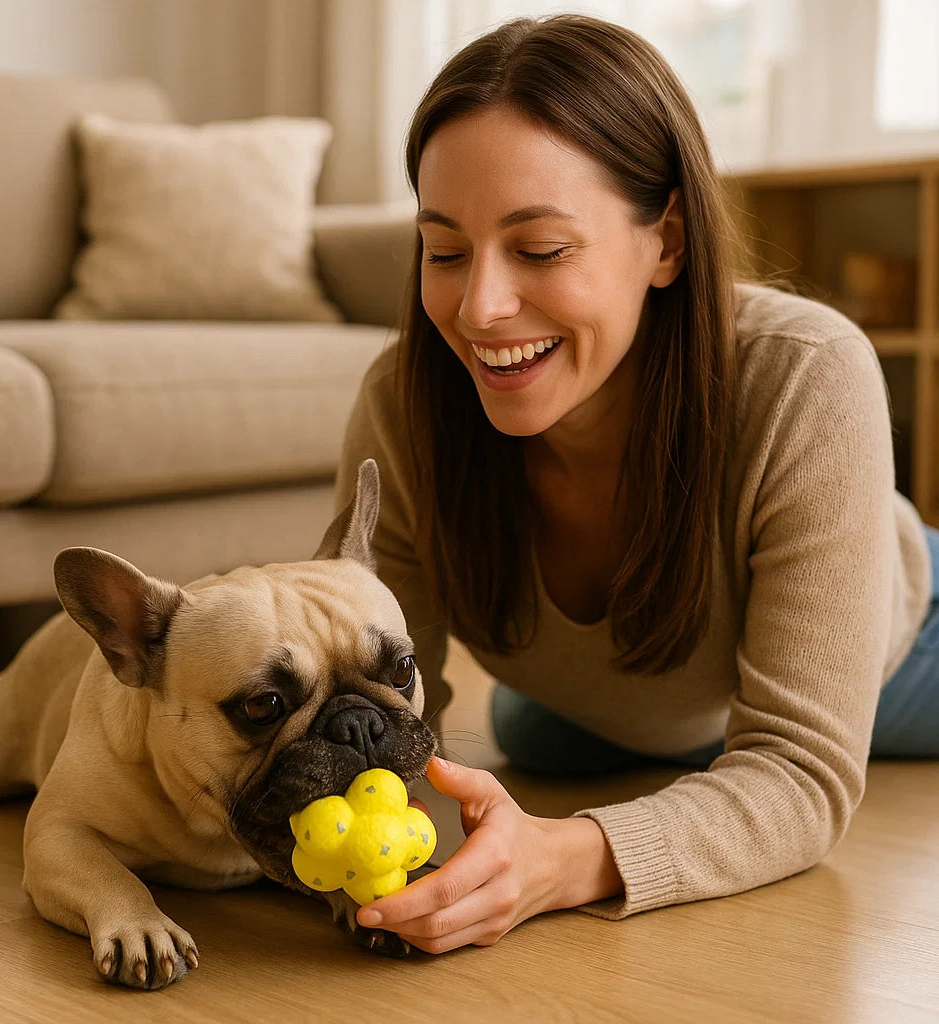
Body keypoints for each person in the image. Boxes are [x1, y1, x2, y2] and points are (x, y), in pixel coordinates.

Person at [333, 13, 937, 954]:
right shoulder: (403, 403)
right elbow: (369, 702)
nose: (479, 307)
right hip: (610, 711)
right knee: (541, 740)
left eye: (541, 250)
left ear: (668, 241)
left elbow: (800, 773)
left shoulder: (808, 373)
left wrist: (563, 859)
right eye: (444, 252)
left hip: (906, 643)